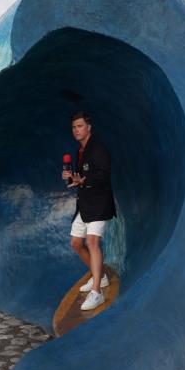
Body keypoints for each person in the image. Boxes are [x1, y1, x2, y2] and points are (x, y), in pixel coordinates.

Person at [62, 111, 116, 311]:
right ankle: (100, 277)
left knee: (92, 242)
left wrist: (83, 180)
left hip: (100, 202)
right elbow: (82, 177)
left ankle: (97, 293)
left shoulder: (98, 147)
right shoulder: (80, 150)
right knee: (76, 243)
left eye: (80, 126)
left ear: (89, 127)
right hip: (85, 204)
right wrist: (72, 178)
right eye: (74, 127)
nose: (76, 130)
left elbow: (103, 174)